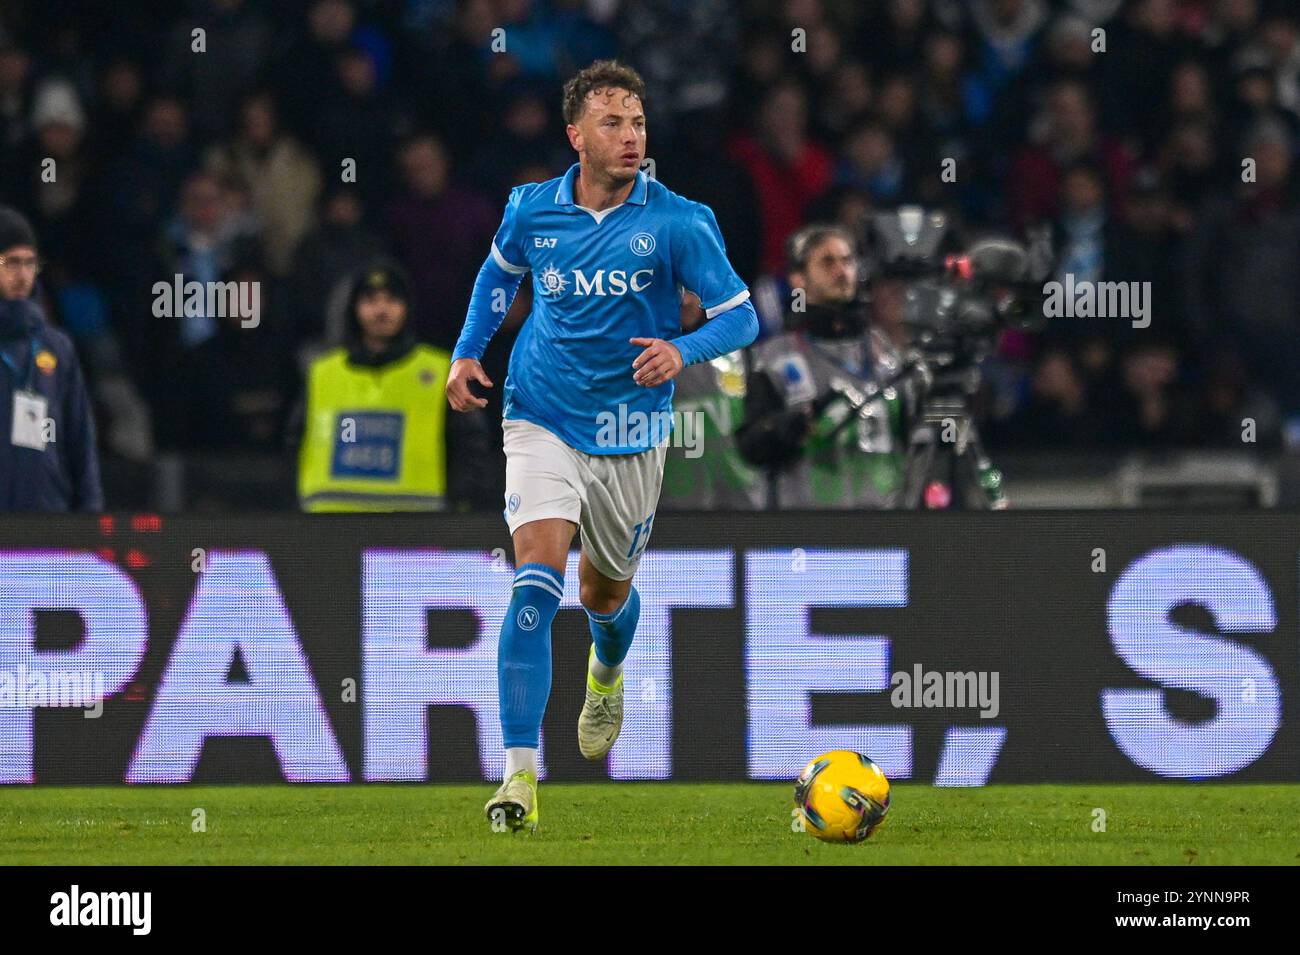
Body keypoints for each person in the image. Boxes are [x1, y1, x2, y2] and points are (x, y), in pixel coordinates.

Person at [446, 60, 758, 832]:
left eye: (639, 122)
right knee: (533, 584)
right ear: (575, 135)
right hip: (541, 410)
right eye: (613, 123)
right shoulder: (531, 209)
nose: (630, 136)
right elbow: (498, 277)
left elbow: (742, 316)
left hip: (629, 433)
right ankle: (518, 776)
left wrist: (683, 351)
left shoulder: (681, 220)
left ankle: (607, 667)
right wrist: (466, 351)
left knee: (602, 596)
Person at [736, 224, 909, 508]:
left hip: (885, 528)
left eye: (848, 261)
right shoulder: (774, 358)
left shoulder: (884, 350)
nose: (842, 272)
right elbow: (751, 447)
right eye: (827, 262)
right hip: (810, 531)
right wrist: (789, 426)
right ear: (798, 278)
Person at [299, 262, 488, 511]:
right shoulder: (321, 373)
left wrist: (459, 503)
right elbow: (294, 445)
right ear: (353, 309)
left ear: (408, 307)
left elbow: (470, 446)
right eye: (370, 300)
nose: (381, 310)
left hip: (416, 531)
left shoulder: (441, 371)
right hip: (328, 527)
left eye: (392, 300)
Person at [0, 206, 102, 511]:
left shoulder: (56, 347)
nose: (22, 275)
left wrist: (91, 515)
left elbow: (79, 440)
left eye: (30, 264)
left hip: (48, 524)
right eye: (11, 263)